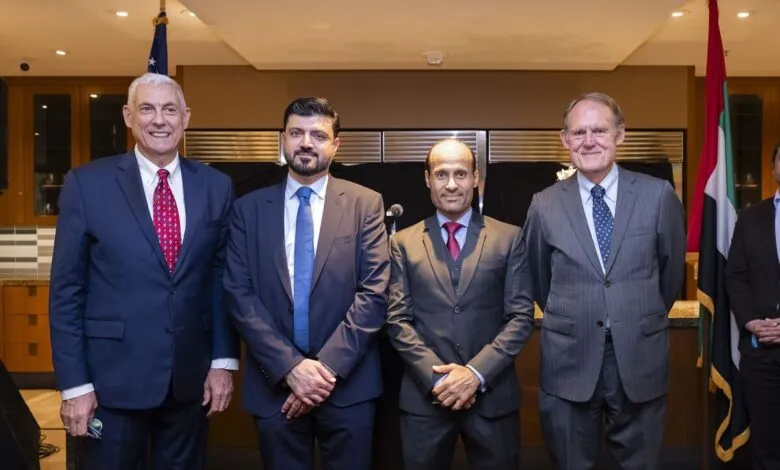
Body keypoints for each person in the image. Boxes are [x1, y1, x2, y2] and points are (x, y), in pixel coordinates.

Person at [48, 72, 239, 469]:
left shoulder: (217, 187)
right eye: (147, 109)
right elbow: (67, 291)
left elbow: (220, 282)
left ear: (185, 117)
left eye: (170, 109)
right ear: (128, 116)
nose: (159, 120)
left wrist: (222, 362)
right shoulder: (87, 184)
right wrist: (75, 385)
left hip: (188, 386)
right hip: (109, 385)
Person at [223, 97, 390, 470]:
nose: (306, 143)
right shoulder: (248, 209)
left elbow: (374, 293)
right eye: (296, 132)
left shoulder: (366, 204)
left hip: (348, 387)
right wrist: (291, 368)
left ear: (336, 144)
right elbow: (239, 295)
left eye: (318, 134)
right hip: (275, 387)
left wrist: (324, 371)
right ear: (282, 138)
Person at [522, 92, 686, 469]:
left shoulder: (657, 195)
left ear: (620, 134)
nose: (589, 141)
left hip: (638, 356)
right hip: (569, 359)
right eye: (578, 132)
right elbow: (539, 278)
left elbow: (670, 274)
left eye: (599, 130)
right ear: (564, 140)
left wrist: (632, 314)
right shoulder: (543, 204)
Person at [385, 138, 534, 470]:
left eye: (460, 174)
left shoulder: (510, 238)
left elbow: (520, 317)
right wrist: (439, 380)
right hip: (426, 400)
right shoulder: (403, 243)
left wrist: (474, 374)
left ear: (476, 178)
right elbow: (397, 321)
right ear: (427, 179)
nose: (451, 184)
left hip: (493, 399)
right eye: (441, 174)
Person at [725, 142, 780, 469]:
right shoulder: (750, 217)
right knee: (766, 449)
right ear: (773, 168)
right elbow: (735, 276)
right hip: (760, 353)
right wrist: (750, 322)